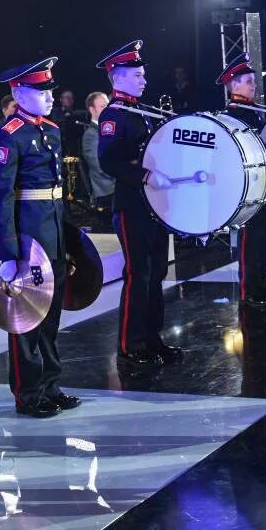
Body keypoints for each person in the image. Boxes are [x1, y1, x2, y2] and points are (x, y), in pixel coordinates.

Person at [0, 57, 79, 417]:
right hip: (28, 240)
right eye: (41, 91)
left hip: (52, 235)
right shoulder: (8, 136)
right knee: (26, 319)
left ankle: (50, 385)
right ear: (18, 92)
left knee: (51, 316)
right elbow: (1, 199)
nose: (49, 97)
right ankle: (28, 394)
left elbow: (58, 195)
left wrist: (69, 244)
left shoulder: (51, 130)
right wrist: (8, 255)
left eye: (50, 90)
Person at [96, 40, 183, 371]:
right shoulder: (115, 115)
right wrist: (143, 174)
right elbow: (108, 160)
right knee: (138, 274)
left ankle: (152, 338)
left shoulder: (141, 112)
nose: (144, 80)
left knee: (157, 272)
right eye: (137, 75)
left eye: (143, 74)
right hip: (132, 206)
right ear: (118, 76)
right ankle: (130, 345)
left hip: (154, 206)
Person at [220, 53, 266, 309]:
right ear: (235, 84)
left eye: (253, 81)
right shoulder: (234, 114)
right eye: (248, 81)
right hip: (250, 187)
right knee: (252, 240)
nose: (253, 85)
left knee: (264, 239)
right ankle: (251, 289)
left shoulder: (250, 110)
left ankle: (263, 284)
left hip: (263, 185)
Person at [81, 91, 114, 214]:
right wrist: (123, 176)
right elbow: (99, 167)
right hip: (106, 193)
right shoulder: (91, 135)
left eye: (108, 105)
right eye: (102, 106)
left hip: (114, 189)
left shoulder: (107, 130)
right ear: (92, 110)